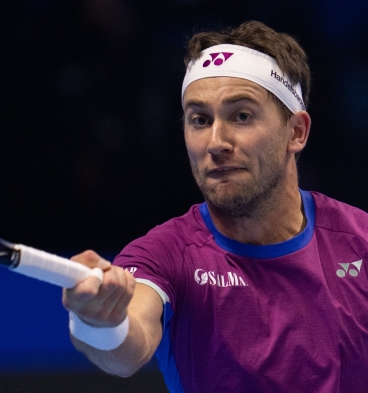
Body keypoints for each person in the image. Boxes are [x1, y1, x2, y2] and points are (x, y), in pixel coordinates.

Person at [62, 21, 368, 393]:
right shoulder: (165, 254)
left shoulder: (360, 241)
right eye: (200, 120)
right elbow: (127, 349)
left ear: (296, 132)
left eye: (241, 115)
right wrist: (97, 321)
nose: (216, 141)